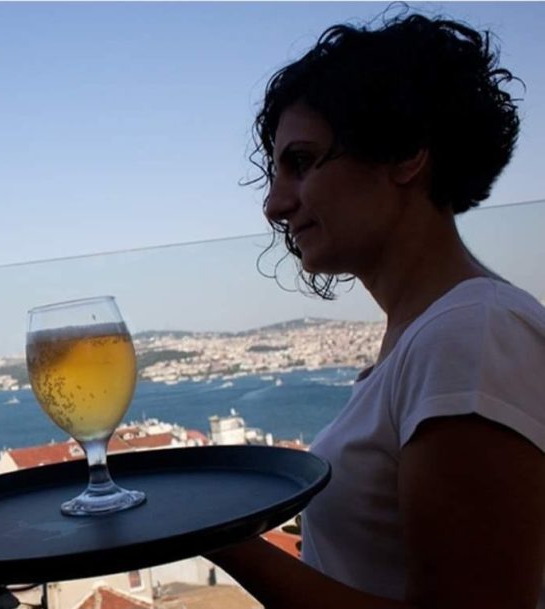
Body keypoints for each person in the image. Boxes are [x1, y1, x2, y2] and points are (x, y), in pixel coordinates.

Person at [205, 10, 545, 609]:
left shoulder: (468, 336)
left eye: (301, 162)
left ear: (405, 152)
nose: (274, 205)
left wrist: (219, 536)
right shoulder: (430, 337)